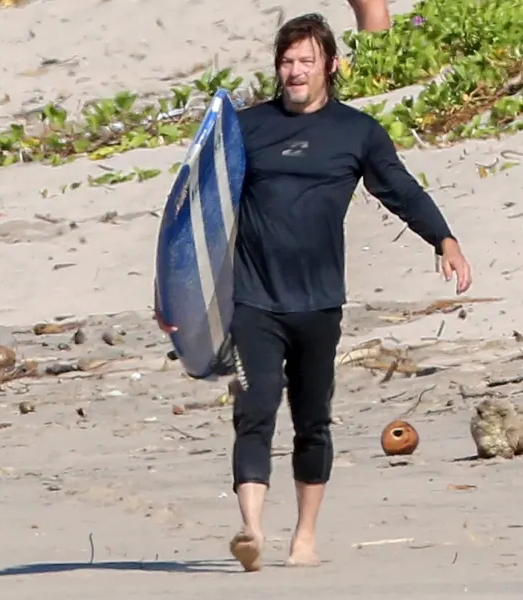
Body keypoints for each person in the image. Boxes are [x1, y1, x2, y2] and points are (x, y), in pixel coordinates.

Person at [154, 13, 472, 572]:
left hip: (320, 302)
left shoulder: (357, 132)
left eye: (306, 60)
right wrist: (174, 296)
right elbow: (194, 211)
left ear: (330, 65)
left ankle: (304, 537)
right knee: (255, 407)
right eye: (286, 61)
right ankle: (252, 530)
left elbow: (400, 190)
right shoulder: (244, 129)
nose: (295, 71)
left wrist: (443, 239)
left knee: (313, 419)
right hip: (253, 300)